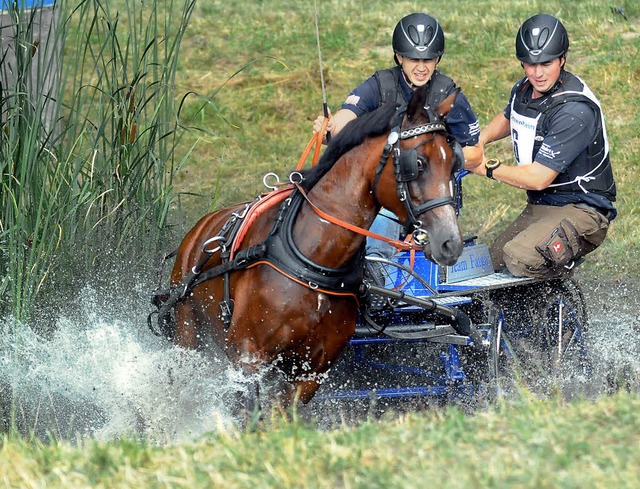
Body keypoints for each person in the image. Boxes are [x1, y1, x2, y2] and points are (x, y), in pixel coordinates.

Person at [312, 12, 483, 271]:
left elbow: (476, 153)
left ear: (438, 59)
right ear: (399, 57)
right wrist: (333, 127)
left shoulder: (448, 94)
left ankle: (376, 276)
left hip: (428, 194)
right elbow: (348, 116)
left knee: (380, 227)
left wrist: (437, 159)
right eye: (414, 59)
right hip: (383, 192)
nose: (421, 67)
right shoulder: (380, 84)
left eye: (429, 59)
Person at [471, 13, 616, 279]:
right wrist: (478, 140)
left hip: (583, 210)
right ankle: (521, 309)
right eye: (529, 64)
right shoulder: (525, 89)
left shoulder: (574, 110)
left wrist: (485, 167)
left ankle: (557, 291)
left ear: (562, 58)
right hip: (543, 206)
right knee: (490, 265)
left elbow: (538, 179)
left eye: (546, 63)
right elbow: (509, 116)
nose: (537, 73)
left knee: (519, 258)